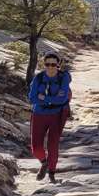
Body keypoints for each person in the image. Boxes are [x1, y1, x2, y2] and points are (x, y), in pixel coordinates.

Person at [27, 52, 72, 183]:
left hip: (58, 114)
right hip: (39, 113)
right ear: (44, 64)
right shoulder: (39, 78)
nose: (51, 67)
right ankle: (44, 163)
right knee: (36, 147)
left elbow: (62, 99)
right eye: (48, 64)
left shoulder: (63, 78)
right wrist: (52, 99)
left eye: (53, 64)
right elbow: (32, 98)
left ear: (58, 65)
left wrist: (44, 98)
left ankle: (52, 173)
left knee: (53, 144)